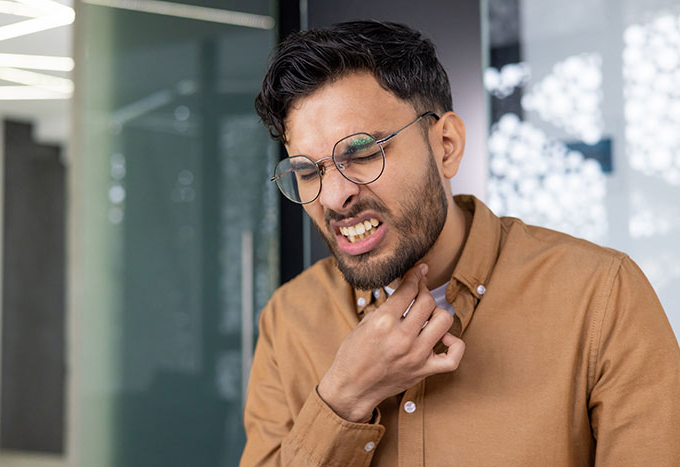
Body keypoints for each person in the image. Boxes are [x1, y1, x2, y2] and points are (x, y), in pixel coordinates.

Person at [240, 20, 680, 467]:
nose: (334, 196)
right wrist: (343, 397)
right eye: (309, 171)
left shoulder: (601, 296)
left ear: (446, 146)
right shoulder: (288, 320)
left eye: (362, 153)